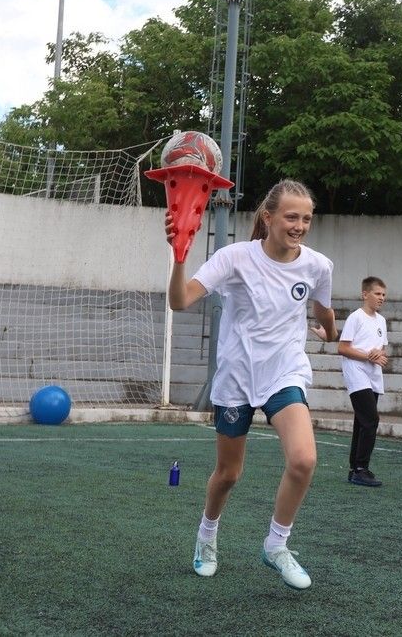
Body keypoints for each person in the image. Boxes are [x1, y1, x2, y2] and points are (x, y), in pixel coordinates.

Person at [166, 179, 338, 591]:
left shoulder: (318, 266)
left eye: (306, 219)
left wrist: (329, 332)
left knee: (304, 460)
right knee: (228, 474)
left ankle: (276, 545)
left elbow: (325, 311)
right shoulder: (235, 258)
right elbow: (180, 301)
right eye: (291, 217)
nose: (299, 225)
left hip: (284, 373)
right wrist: (179, 257)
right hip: (237, 378)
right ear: (269, 217)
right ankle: (207, 536)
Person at [337, 276, 389, 487]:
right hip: (356, 371)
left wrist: (379, 353)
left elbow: (381, 347)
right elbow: (343, 348)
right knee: (370, 419)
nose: (381, 298)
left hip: (373, 374)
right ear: (365, 294)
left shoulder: (381, 321)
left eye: (384, 295)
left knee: (362, 421)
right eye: (377, 294)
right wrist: (368, 355)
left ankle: (355, 469)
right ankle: (361, 468)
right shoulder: (356, 318)